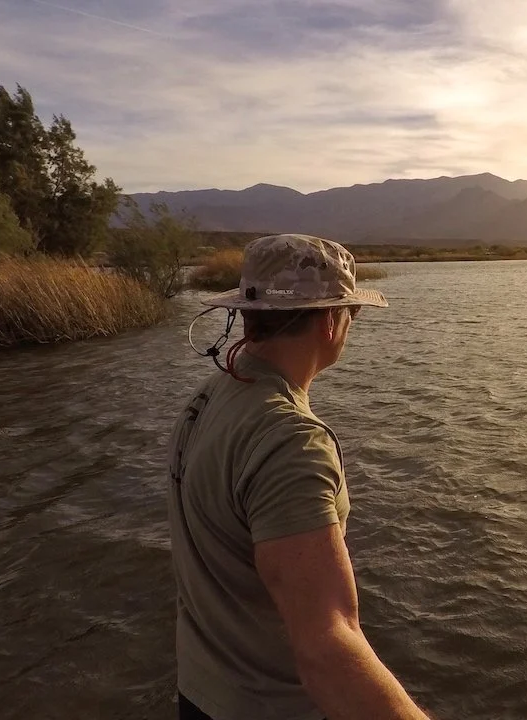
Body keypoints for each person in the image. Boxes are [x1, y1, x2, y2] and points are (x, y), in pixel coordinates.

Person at [166, 234, 432, 720]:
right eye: (352, 313)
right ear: (331, 321)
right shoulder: (291, 441)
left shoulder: (207, 397)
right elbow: (328, 648)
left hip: (201, 693)